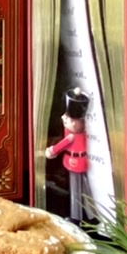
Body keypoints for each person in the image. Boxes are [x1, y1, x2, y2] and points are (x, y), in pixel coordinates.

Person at [45, 87, 91, 223]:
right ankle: (91, 215)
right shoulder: (82, 132)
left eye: (68, 118)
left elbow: (62, 145)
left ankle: (76, 217)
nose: (63, 118)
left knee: (75, 190)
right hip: (81, 162)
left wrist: (51, 151)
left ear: (76, 123)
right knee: (84, 188)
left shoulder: (72, 135)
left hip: (75, 163)